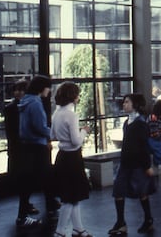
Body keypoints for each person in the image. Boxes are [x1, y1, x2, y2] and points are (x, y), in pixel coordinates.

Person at [109, 94, 155, 236]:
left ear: (135, 104)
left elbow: (144, 146)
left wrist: (147, 166)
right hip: (125, 164)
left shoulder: (141, 124)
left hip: (138, 165)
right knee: (118, 191)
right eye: (124, 102)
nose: (124, 104)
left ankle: (148, 219)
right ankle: (121, 222)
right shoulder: (126, 123)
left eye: (127, 102)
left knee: (142, 192)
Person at [51, 82, 92, 237]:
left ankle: (78, 229)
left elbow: (52, 136)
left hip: (61, 157)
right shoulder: (72, 115)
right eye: (77, 94)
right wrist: (84, 131)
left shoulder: (56, 113)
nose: (79, 97)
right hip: (73, 159)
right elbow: (76, 141)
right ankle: (60, 231)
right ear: (73, 96)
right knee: (71, 197)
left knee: (72, 196)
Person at [16, 74, 54, 229]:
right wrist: (52, 133)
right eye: (48, 88)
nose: (49, 91)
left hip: (27, 146)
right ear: (41, 88)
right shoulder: (36, 103)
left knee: (30, 181)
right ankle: (24, 216)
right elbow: (39, 126)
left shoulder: (25, 101)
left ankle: (24, 215)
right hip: (37, 147)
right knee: (41, 179)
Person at [3, 79, 38, 215]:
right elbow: (11, 132)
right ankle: (23, 208)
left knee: (29, 178)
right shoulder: (11, 108)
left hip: (26, 147)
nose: (18, 92)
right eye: (16, 89)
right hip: (18, 148)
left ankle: (25, 204)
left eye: (21, 90)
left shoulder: (27, 106)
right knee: (22, 178)